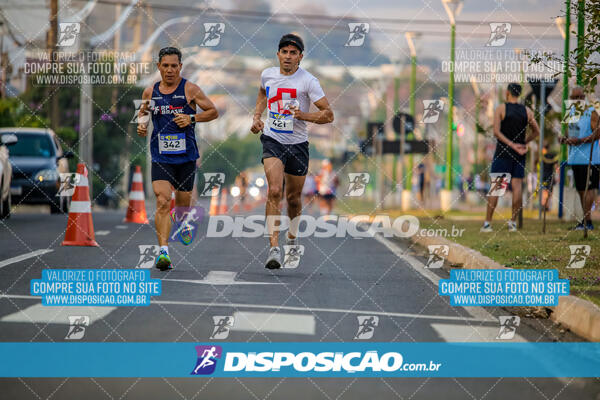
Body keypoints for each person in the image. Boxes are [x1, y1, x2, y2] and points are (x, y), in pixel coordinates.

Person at [250, 33, 334, 269]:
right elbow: (262, 93)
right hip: (272, 139)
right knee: (275, 190)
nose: (288, 56)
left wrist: (303, 115)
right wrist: (257, 117)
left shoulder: (308, 81)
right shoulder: (267, 74)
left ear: (300, 57)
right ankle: (273, 248)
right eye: (284, 52)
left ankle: (292, 238)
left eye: (293, 53)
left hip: (297, 144)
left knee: (294, 199)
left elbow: (328, 115)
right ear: (278, 54)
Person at [137, 47, 218, 270]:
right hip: (161, 155)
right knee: (162, 200)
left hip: (186, 157)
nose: (170, 70)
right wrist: (142, 126)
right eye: (166, 66)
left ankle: (183, 221)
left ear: (180, 67)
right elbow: (142, 113)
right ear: (159, 67)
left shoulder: (191, 89)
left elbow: (213, 111)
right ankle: (163, 252)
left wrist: (192, 118)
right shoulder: (150, 92)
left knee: (182, 207)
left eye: (174, 66)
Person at [481, 83, 540, 232]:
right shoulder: (527, 111)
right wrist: (522, 143)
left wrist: (511, 145)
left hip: (503, 153)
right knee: (517, 187)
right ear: (519, 94)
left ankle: (488, 223)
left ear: (507, 92)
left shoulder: (501, 109)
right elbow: (536, 131)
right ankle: (512, 223)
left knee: (497, 188)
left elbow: (496, 132)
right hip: (520, 153)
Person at [558, 87, 600, 230]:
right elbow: (567, 132)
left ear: (584, 97)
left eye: (579, 97)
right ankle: (585, 220)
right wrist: (563, 138)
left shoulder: (591, 112)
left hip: (590, 159)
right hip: (575, 158)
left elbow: (597, 134)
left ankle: (588, 221)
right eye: (574, 97)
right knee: (581, 189)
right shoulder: (571, 113)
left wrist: (580, 141)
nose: (577, 100)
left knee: (590, 189)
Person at [541, 141, 559, 211]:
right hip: (550, 176)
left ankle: (545, 205)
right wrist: (558, 175)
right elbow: (556, 167)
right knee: (548, 192)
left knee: (545, 192)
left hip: (544, 176)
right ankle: (545, 205)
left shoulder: (541, 156)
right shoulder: (551, 156)